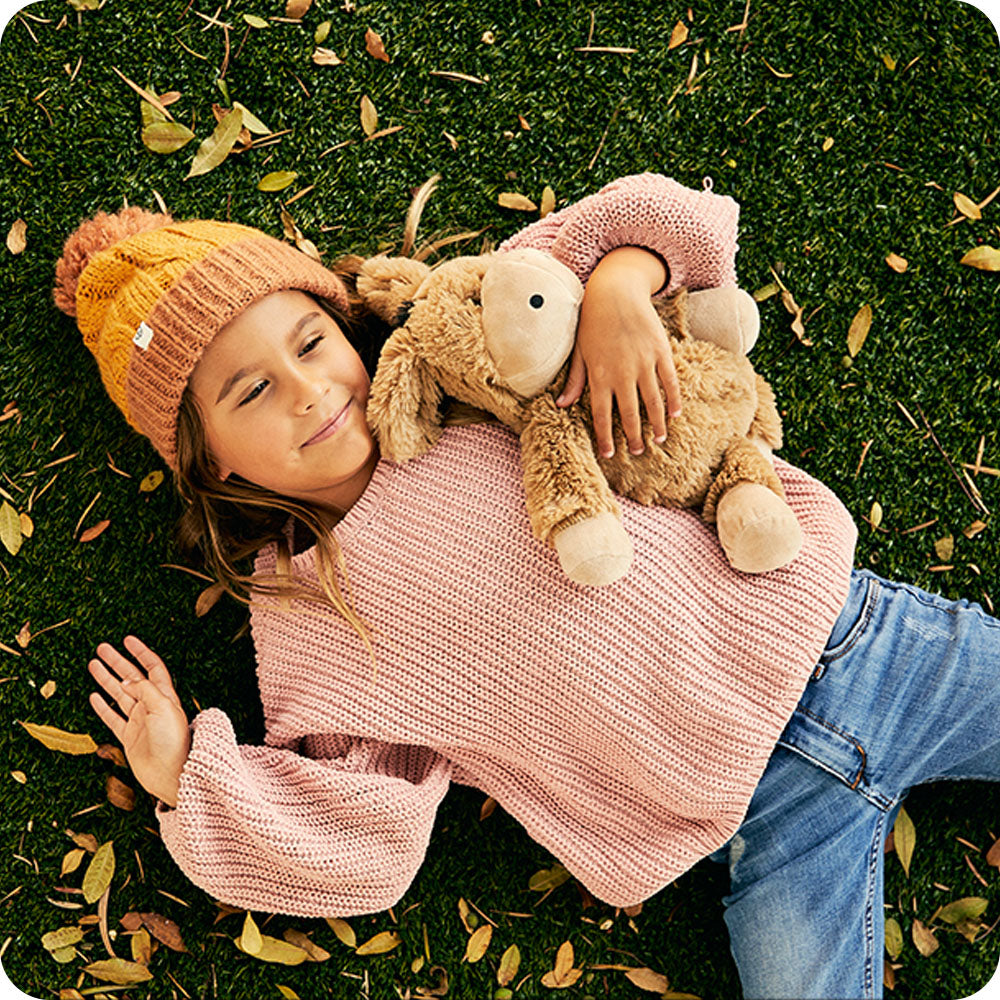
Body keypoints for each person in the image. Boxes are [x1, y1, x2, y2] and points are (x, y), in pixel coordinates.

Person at [53, 173, 999, 1000]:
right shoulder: (305, 613)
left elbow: (666, 214)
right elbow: (364, 840)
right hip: (764, 821)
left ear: (344, 323)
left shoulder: (462, 356)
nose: (304, 389)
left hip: (861, 642)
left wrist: (622, 289)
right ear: (206, 459)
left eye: (308, 342)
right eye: (248, 393)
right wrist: (190, 775)